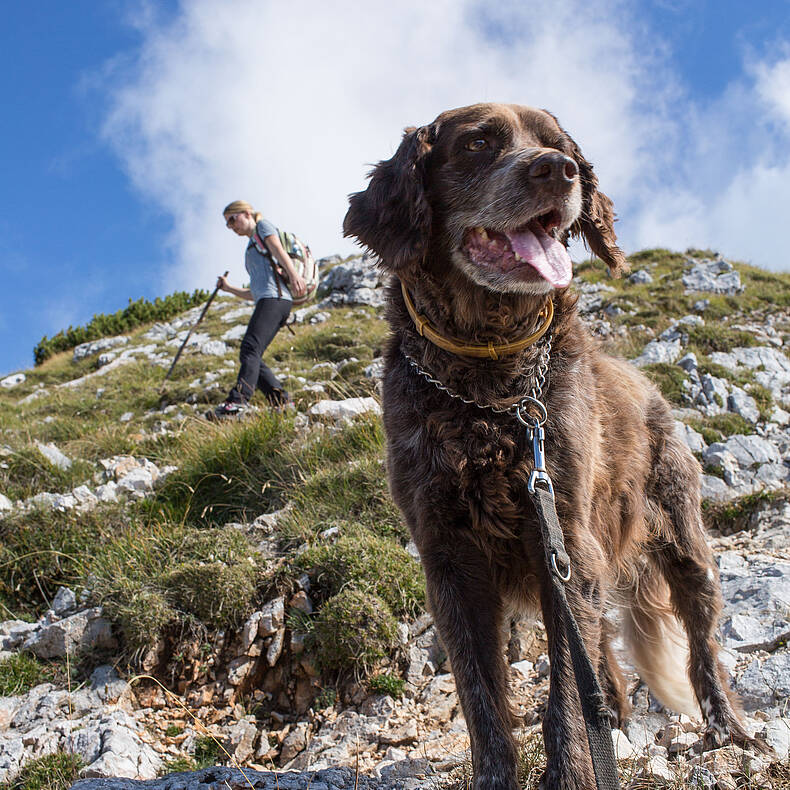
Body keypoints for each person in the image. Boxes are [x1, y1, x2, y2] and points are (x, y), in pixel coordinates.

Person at [208, 200, 306, 419]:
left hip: (276, 299)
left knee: (250, 349)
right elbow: (254, 292)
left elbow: (278, 249)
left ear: (246, 213)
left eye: (232, 220)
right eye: (227, 224)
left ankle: (237, 402)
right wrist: (229, 288)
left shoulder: (263, 227)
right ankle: (281, 401)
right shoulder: (251, 248)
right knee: (252, 353)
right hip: (268, 300)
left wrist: (294, 275)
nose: (231, 226)